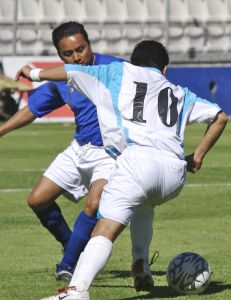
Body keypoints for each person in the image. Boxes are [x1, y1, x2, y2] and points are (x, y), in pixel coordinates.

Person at [16, 39, 228, 300]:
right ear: (165, 69)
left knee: (105, 228)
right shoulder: (178, 91)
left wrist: (34, 73)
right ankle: (140, 262)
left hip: (137, 161)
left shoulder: (119, 71)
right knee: (144, 204)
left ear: (134, 61)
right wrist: (198, 155)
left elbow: (70, 72)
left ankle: (75, 291)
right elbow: (220, 117)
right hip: (174, 173)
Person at [1, 21, 154, 291]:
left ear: (89, 44)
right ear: (60, 56)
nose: (76, 57)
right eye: (68, 54)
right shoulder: (64, 78)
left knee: (93, 205)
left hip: (111, 153)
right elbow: (33, 109)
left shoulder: (113, 69)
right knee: (37, 200)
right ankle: (71, 243)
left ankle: (68, 265)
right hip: (80, 147)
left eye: (81, 49)